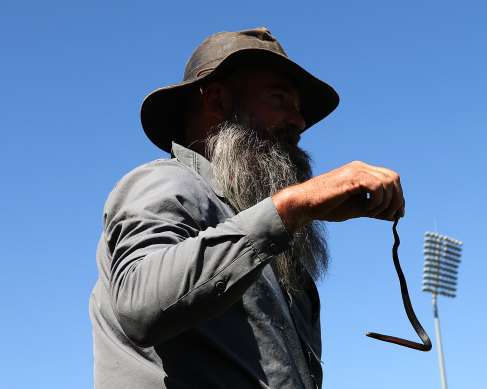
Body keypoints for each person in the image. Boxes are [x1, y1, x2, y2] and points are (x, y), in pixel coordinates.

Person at [89, 27, 404, 389]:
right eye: (279, 97)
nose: (298, 122)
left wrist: (290, 216)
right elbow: (140, 305)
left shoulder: (264, 238)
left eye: (298, 108)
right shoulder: (166, 183)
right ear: (219, 101)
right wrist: (293, 205)